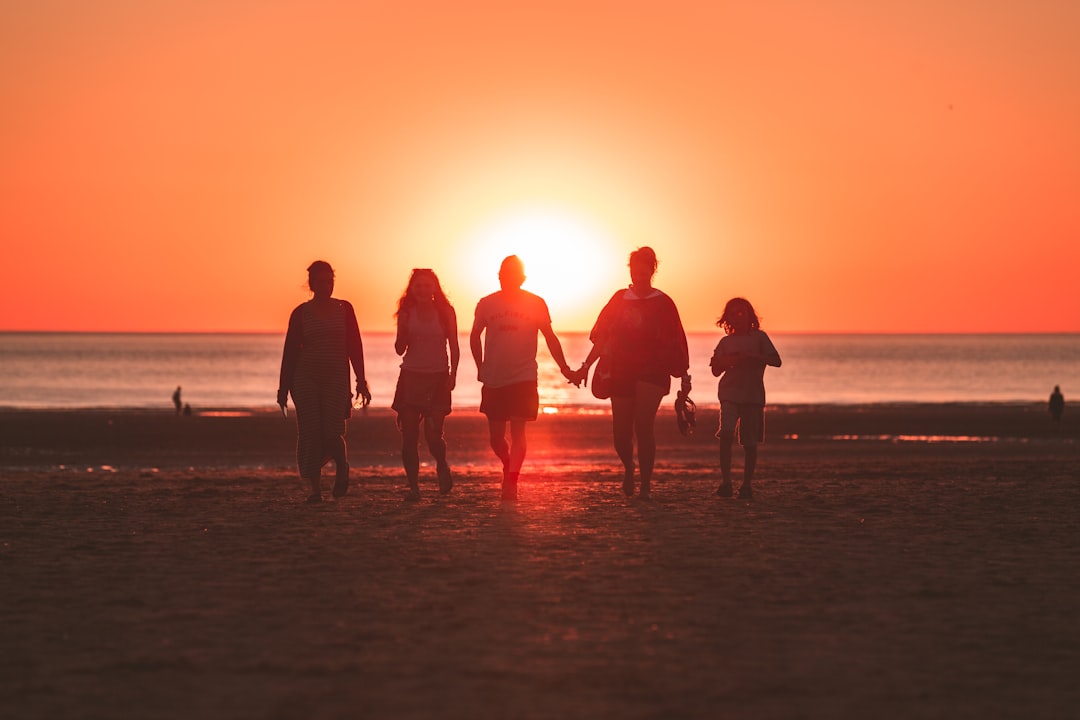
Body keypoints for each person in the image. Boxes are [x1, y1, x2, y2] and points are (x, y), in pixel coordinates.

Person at [575, 247, 690, 499]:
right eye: (634, 269)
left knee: (643, 425)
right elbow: (603, 337)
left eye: (643, 269)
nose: (638, 274)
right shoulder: (619, 299)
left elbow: (675, 340)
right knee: (621, 432)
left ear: (652, 269)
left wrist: (683, 375)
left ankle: (646, 484)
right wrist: (586, 365)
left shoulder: (663, 302)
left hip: (653, 370)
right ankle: (629, 468)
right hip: (621, 368)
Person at [470, 255, 578, 501]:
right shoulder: (487, 303)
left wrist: (564, 368)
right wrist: (480, 366)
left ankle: (512, 480)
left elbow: (550, 337)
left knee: (519, 432)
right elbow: (475, 336)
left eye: (512, 274)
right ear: (499, 276)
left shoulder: (536, 303)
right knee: (496, 439)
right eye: (503, 274)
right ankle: (508, 465)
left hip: (524, 376)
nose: (506, 278)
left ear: (521, 278)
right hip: (494, 378)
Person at [277, 261, 371, 503]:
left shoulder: (344, 309)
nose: (326, 286)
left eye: (330, 281)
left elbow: (354, 346)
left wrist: (361, 380)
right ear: (311, 284)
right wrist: (283, 388)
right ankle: (315, 490)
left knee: (332, 431)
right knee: (310, 432)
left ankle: (342, 466)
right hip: (305, 377)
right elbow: (290, 352)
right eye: (321, 282)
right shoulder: (301, 313)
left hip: (336, 378)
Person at [392, 269, 460, 500]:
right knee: (409, 436)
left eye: (427, 285)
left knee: (433, 435)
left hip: (438, 377)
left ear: (434, 288)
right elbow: (399, 349)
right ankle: (414, 488)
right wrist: (403, 330)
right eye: (417, 286)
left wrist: (453, 375)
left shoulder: (445, 312)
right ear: (412, 289)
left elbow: (454, 344)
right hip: (411, 377)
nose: (422, 290)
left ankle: (441, 464)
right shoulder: (406, 312)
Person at [710, 297, 781, 500]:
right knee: (725, 434)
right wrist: (729, 361)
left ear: (750, 315)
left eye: (741, 313)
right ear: (727, 319)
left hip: (752, 396)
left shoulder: (759, 338)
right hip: (729, 394)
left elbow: (776, 361)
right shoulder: (725, 342)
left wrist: (754, 357)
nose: (737, 317)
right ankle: (726, 482)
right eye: (733, 314)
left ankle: (747, 485)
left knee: (749, 443)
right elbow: (715, 370)